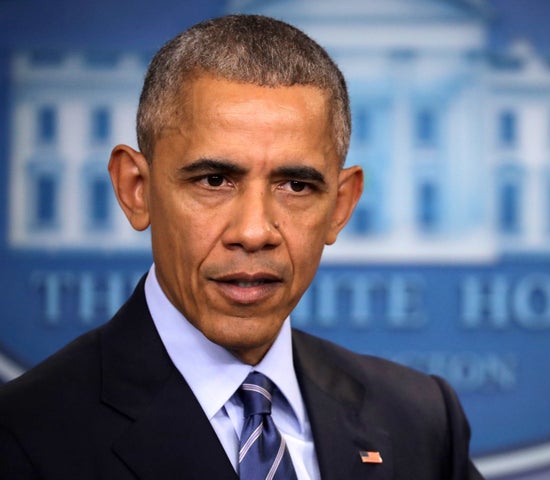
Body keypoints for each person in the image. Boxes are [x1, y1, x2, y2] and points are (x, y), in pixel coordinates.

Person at [0, 14, 484, 480]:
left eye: (295, 186)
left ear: (340, 206)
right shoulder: (21, 436)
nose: (254, 232)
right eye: (214, 180)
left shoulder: (421, 421)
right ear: (136, 189)